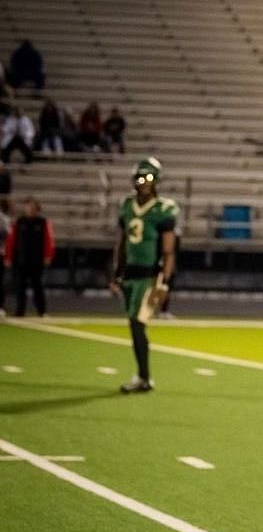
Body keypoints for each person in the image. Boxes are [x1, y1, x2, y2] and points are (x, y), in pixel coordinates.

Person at [108, 157, 179, 394]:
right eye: (140, 177)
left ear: (156, 180)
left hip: (149, 276)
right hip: (130, 274)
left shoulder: (163, 209)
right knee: (133, 324)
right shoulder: (127, 205)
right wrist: (116, 274)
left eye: (149, 178)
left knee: (138, 324)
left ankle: (144, 377)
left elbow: (169, 251)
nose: (144, 182)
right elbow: (121, 244)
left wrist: (166, 283)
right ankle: (143, 376)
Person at [3, 198, 55, 317]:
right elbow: (11, 241)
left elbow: (49, 240)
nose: (29, 209)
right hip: (22, 260)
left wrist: (48, 255)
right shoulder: (20, 222)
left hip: (37, 260)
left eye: (32, 207)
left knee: (38, 286)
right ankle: (20, 311)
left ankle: (42, 311)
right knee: (20, 286)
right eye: (27, 207)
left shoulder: (42, 222)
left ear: (37, 209)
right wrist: (8, 257)